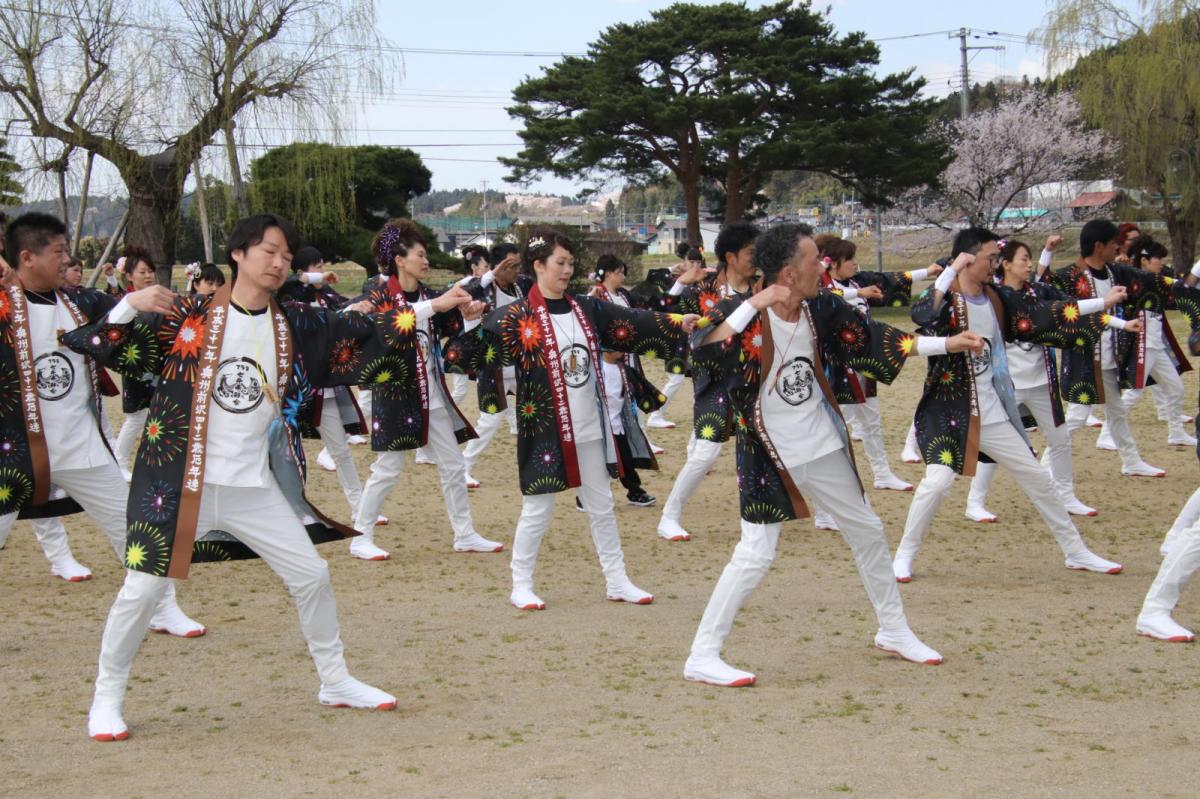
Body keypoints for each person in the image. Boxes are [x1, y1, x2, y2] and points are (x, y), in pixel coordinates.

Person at [63, 213, 419, 741]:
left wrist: (420, 311)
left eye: (285, 255)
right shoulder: (189, 315)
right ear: (238, 253)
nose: (279, 263)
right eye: (268, 251)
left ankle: (335, 679)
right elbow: (101, 344)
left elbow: (361, 337)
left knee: (312, 576)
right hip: (183, 483)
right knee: (141, 591)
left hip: (255, 486)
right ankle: (107, 697)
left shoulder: (298, 321)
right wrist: (125, 305)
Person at [682, 223, 980, 687]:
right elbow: (702, 351)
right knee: (756, 553)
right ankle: (703, 654)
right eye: (812, 260)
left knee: (867, 531)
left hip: (821, 443)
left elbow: (873, 337)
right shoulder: (738, 310)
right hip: (768, 450)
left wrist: (946, 343)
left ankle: (894, 630)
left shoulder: (821, 306)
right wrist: (753, 305)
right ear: (787, 271)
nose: (823, 266)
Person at [0, 211, 204, 642]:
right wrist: (128, 306)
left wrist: (149, 308)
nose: (67, 260)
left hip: (81, 447)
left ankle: (162, 609)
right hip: (13, 451)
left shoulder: (81, 302)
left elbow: (113, 335)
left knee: (134, 528)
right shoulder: (3, 308)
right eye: (58, 252)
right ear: (26, 257)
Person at [473, 229, 699, 610]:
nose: (567, 270)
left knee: (601, 506)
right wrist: (467, 324)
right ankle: (521, 583)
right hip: (545, 427)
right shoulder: (517, 315)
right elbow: (480, 349)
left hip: (591, 425)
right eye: (560, 263)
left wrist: (677, 321)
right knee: (538, 508)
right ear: (539, 265)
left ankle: (617, 579)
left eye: (571, 263)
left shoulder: (585, 307)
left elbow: (632, 320)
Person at [892, 227, 1125, 583]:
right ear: (967, 259)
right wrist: (952, 270)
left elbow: (1046, 311)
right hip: (950, 411)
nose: (995, 265)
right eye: (990, 258)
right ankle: (905, 554)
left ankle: (1075, 551)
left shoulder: (998, 298)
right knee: (936, 484)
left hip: (993, 410)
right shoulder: (948, 299)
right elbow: (922, 314)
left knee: (1037, 478)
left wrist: (1101, 304)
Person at [351, 218, 503, 560]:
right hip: (395, 396)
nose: (426, 260)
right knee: (388, 469)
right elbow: (387, 326)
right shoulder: (379, 294)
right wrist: (436, 305)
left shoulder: (428, 295)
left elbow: (454, 331)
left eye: (426, 254)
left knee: (452, 466)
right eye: (419, 254)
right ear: (399, 260)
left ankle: (464, 534)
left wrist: (471, 314)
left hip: (432, 395)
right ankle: (360, 536)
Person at [962, 235, 1131, 521]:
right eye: (1023, 259)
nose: (1028, 265)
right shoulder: (994, 298)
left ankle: (1066, 495)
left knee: (1060, 439)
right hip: (1008, 386)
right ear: (1005, 264)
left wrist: (1118, 318)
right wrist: (1103, 301)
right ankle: (974, 502)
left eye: (1030, 259)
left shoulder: (1041, 291)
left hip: (1041, 383)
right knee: (996, 445)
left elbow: (1072, 309)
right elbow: (1043, 315)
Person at [1050, 219, 1200, 477]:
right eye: (1113, 244)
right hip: (1085, 360)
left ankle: (1130, 460)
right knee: (1076, 417)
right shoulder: (1067, 277)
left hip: (1110, 359)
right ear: (1099, 246)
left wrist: (1186, 293)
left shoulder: (1116, 272)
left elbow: (1153, 283)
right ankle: (1045, 470)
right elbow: (1055, 309)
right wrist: (1047, 253)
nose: (1117, 249)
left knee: (1117, 412)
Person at [655, 221, 759, 541]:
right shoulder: (704, 288)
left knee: (776, 444)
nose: (758, 258)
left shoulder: (762, 286)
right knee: (707, 451)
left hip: (755, 377)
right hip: (714, 379)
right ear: (731, 256)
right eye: (751, 253)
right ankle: (669, 516)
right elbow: (668, 319)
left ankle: (816, 512)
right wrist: (678, 287)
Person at [818, 236, 942, 495]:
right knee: (830, 429)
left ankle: (882, 473)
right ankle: (831, 488)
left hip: (864, 364)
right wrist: (857, 294)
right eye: (848, 259)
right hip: (833, 369)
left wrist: (927, 272)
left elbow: (890, 279)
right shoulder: (822, 285)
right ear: (831, 264)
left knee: (872, 422)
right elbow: (821, 295)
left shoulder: (858, 281)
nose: (854, 263)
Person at [1093, 236, 1196, 450]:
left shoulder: (1158, 278)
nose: (1161, 262)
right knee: (1134, 392)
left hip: (1155, 345)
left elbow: (1178, 289)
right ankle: (1106, 434)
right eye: (1158, 258)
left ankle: (1176, 431)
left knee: (1175, 388)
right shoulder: (1134, 279)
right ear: (1144, 260)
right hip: (1141, 343)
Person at [587, 254, 663, 508]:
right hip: (606, 366)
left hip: (624, 367)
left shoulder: (624, 296)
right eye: (619, 271)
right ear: (608, 273)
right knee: (610, 430)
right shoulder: (596, 297)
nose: (623, 276)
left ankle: (617, 487)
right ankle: (629, 487)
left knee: (617, 427)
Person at [450, 245, 525, 488]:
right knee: (490, 421)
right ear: (497, 266)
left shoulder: (519, 287)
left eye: (517, 265)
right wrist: (490, 275)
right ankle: (464, 466)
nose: (515, 270)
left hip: (520, 364)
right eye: (510, 266)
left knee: (536, 415)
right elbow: (459, 291)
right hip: (493, 366)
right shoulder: (481, 289)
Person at [110, 245, 162, 480]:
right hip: (135, 368)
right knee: (136, 417)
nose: (148, 276)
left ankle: (155, 464)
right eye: (142, 272)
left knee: (159, 416)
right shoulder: (125, 302)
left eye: (150, 271)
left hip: (160, 366)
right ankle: (119, 462)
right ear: (129, 275)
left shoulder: (160, 298)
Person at [645, 244, 702, 429]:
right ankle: (656, 414)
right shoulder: (671, 280)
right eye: (690, 261)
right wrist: (671, 269)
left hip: (696, 338)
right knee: (676, 378)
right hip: (675, 337)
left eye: (697, 262)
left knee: (698, 377)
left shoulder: (700, 282)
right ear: (682, 262)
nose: (694, 265)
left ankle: (700, 413)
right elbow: (651, 278)